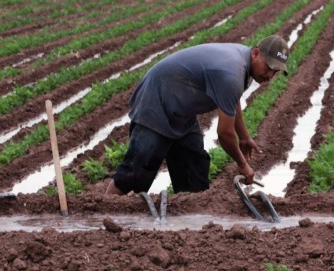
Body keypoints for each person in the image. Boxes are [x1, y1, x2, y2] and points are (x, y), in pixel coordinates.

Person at [105, 35, 289, 195]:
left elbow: (231, 100)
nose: (270, 74)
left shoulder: (244, 65)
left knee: (194, 172)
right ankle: (104, 210)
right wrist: (242, 164)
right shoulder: (232, 72)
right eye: (268, 67)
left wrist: (244, 136)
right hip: (156, 102)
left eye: (276, 71)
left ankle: (190, 226)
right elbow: (224, 134)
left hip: (182, 112)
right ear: (256, 53)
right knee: (137, 171)